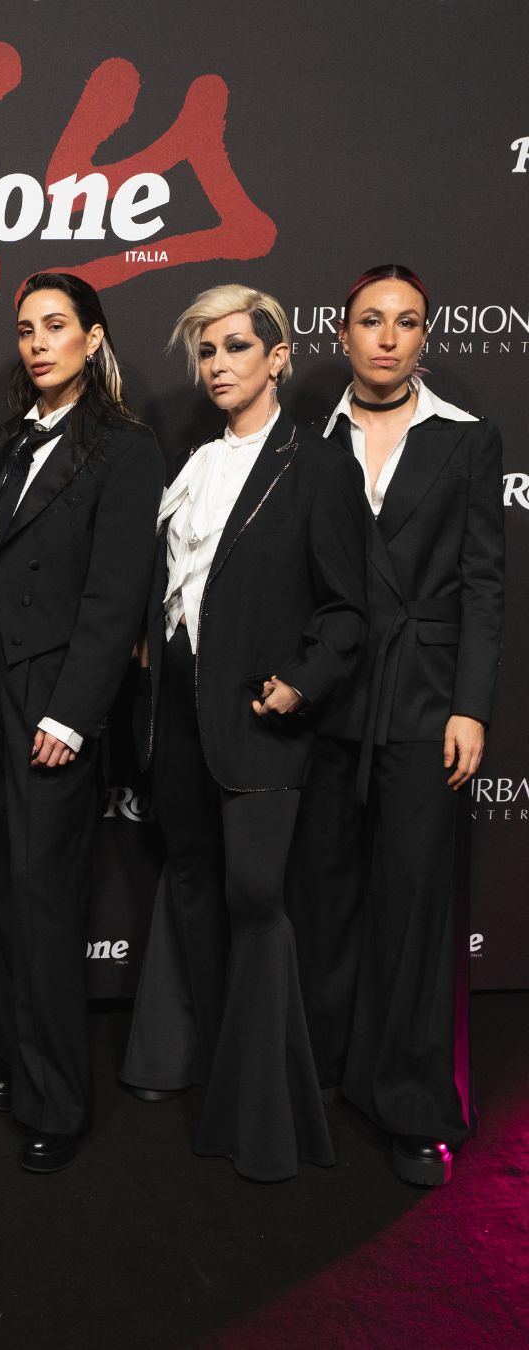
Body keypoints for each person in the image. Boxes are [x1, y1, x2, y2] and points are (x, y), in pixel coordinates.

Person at [120, 284, 368, 1182]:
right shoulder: (190, 464)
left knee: (256, 895)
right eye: (208, 351)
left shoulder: (317, 464)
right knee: (192, 883)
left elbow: (348, 608)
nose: (219, 365)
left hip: (261, 721)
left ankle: (267, 1114)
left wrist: (301, 681)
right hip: (177, 717)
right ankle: (210, 1068)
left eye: (236, 347)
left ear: (278, 357)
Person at [288, 264, 504, 1186]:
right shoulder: (309, 440)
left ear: (425, 337)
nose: (387, 337)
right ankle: (325, 1076)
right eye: (371, 320)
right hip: (329, 699)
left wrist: (471, 705)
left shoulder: (467, 439)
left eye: (406, 322)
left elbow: (484, 584)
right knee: (324, 899)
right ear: (342, 334)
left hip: (424, 701)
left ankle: (413, 1105)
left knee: (413, 907)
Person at [0, 272, 164, 1173]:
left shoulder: (125, 447)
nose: (39, 342)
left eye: (55, 325)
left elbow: (116, 598)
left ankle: (59, 1101)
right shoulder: (9, 441)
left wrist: (74, 715)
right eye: (26, 329)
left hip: (53, 700)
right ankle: (17, 1062)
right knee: (4, 895)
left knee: (45, 903)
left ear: (94, 337)